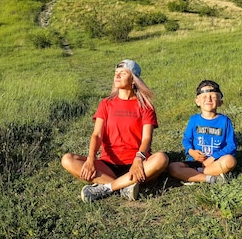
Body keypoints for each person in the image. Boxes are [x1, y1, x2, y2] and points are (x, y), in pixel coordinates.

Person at [61, 60, 169, 202]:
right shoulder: (106, 103)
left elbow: (146, 139)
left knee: (162, 158)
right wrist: (91, 158)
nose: (117, 76)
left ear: (133, 79)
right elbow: (97, 134)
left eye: (122, 73)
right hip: (108, 165)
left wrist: (138, 159)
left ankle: (108, 187)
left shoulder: (145, 106)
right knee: (67, 160)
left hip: (137, 163)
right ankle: (125, 187)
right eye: (116, 74)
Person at [168, 80, 237, 184]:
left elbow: (231, 145)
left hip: (215, 162)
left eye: (213, 97)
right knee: (172, 167)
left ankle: (194, 175)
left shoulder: (224, 121)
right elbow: (187, 140)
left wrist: (213, 157)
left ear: (220, 102)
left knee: (230, 161)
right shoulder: (194, 120)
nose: (208, 99)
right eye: (204, 97)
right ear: (197, 101)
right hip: (195, 161)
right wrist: (191, 152)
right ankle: (211, 178)